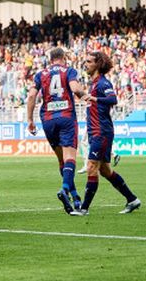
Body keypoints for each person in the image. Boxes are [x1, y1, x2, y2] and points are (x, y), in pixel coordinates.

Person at [71, 52, 141, 216]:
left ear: (98, 64)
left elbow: (113, 99)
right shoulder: (94, 84)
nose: (85, 64)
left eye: (89, 61)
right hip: (96, 132)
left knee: (91, 167)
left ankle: (84, 208)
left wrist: (94, 99)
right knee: (105, 171)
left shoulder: (102, 83)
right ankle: (132, 200)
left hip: (101, 132)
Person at [26, 47, 86, 214]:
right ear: (63, 58)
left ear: (50, 59)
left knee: (62, 160)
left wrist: (30, 120)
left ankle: (75, 197)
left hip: (48, 120)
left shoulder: (40, 74)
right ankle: (65, 190)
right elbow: (75, 89)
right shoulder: (69, 71)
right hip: (66, 117)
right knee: (70, 158)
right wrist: (85, 95)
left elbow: (31, 96)